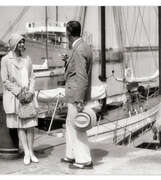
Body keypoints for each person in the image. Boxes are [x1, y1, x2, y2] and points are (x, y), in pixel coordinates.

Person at [1, 34, 39, 165]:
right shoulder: (5, 60)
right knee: (21, 126)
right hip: (15, 97)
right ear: (14, 44)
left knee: (31, 125)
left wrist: (30, 91)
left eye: (23, 42)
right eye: (20, 42)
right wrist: (18, 92)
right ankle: (26, 152)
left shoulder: (27, 59)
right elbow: (5, 80)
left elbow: (33, 77)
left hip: (28, 96)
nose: (23, 45)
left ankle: (32, 151)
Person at [60, 21, 93, 169]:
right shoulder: (83, 47)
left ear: (68, 33)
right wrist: (67, 61)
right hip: (75, 94)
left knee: (78, 126)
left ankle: (84, 160)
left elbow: (81, 77)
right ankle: (71, 155)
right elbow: (78, 70)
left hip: (75, 96)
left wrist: (79, 100)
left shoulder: (78, 50)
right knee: (70, 125)